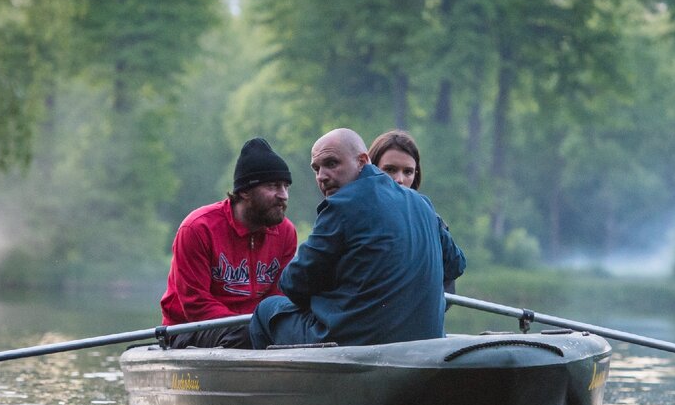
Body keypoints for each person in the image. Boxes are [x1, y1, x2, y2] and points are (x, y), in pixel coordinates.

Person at [249, 128, 465, 349]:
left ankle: (276, 384)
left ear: (363, 161)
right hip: (426, 343)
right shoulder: (424, 205)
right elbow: (456, 265)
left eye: (332, 164)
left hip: (355, 345)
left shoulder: (342, 205)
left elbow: (293, 284)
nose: (322, 176)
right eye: (317, 168)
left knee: (267, 309)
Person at [160, 137, 297, 348]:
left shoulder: (286, 232)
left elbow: (277, 297)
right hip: (190, 328)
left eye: (286, 186)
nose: (283, 195)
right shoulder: (198, 228)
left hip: (253, 328)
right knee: (245, 335)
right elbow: (196, 305)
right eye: (273, 186)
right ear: (244, 191)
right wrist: (252, 326)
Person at [368, 129, 459, 296]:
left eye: (407, 172)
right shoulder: (354, 213)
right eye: (390, 169)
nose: (400, 179)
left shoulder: (430, 220)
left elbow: (450, 278)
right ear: (371, 169)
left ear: (416, 174)